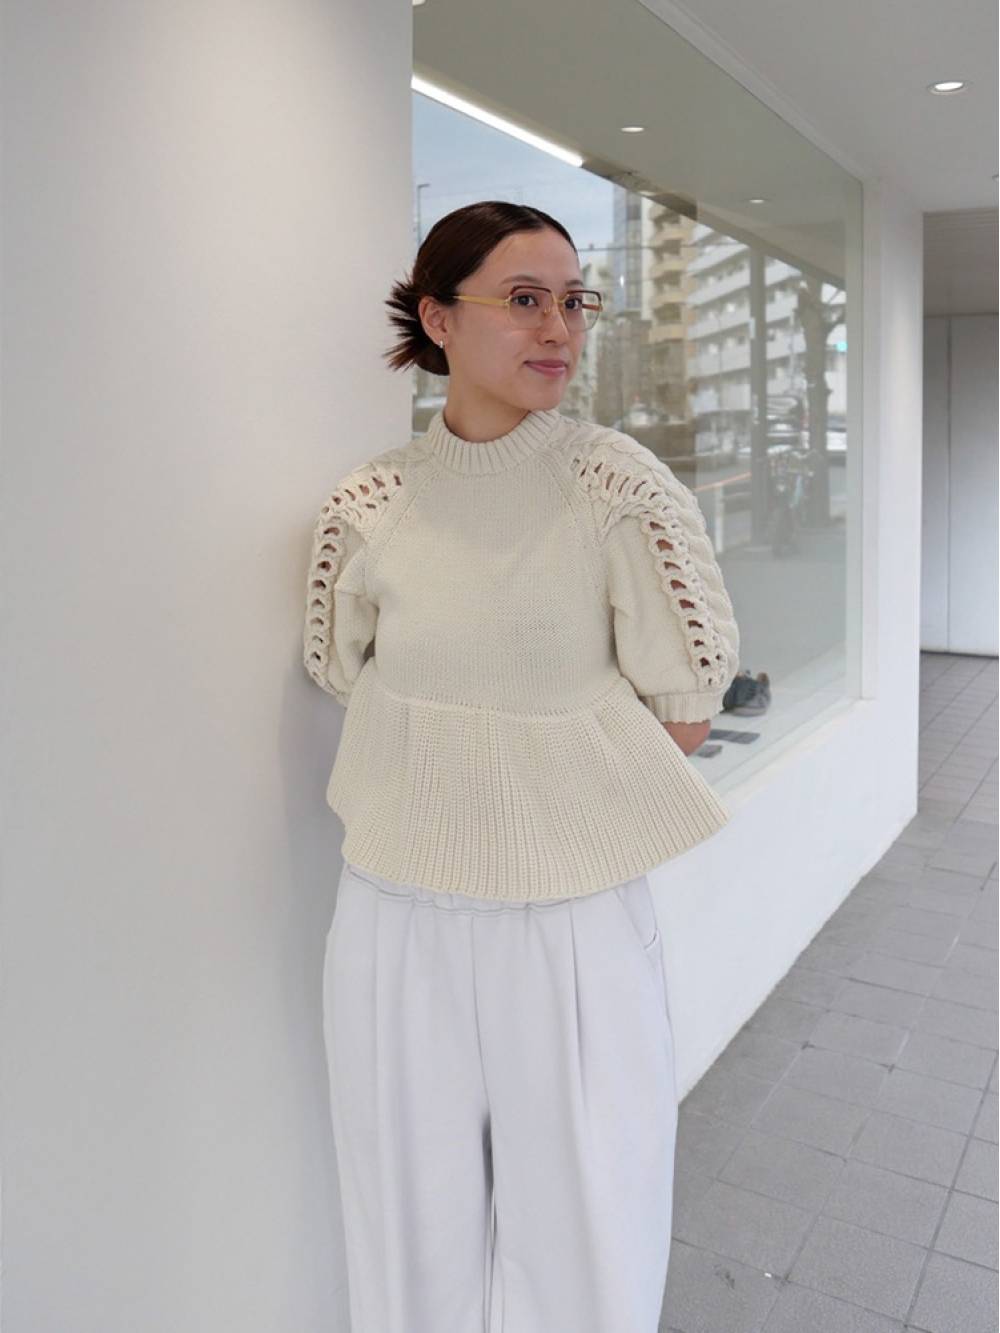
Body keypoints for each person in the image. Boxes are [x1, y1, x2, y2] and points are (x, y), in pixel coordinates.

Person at [303, 200, 740, 1333]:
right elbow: (347, 673)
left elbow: (685, 707)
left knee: (587, 1232)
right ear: (439, 319)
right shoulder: (371, 504)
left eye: (574, 301)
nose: (559, 327)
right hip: (392, 910)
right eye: (525, 299)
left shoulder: (616, 486)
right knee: (403, 1230)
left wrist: (530, 777)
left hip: (570, 921)